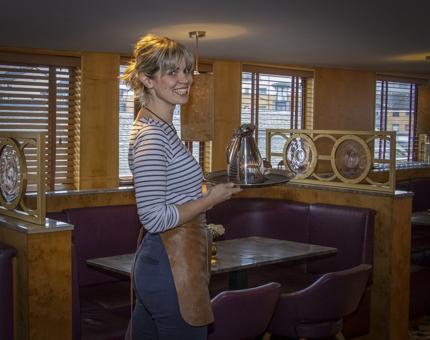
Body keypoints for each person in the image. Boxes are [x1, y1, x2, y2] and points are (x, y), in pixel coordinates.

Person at [121, 34, 242, 340]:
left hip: (169, 260)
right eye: (172, 72)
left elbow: (175, 195)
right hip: (169, 264)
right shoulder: (153, 137)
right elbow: (152, 216)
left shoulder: (161, 129)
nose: (185, 79)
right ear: (148, 80)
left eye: (187, 70)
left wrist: (215, 193)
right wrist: (208, 200)